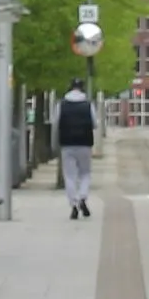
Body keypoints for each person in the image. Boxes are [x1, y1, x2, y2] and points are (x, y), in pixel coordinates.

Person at [56, 78, 99, 219]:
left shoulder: (61, 104)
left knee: (69, 175)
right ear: (82, 88)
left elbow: (56, 122)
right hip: (85, 143)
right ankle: (82, 197)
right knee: (85, 173)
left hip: (67, 143)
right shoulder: (88, 104)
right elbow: (94, 123)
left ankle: (73, 204)